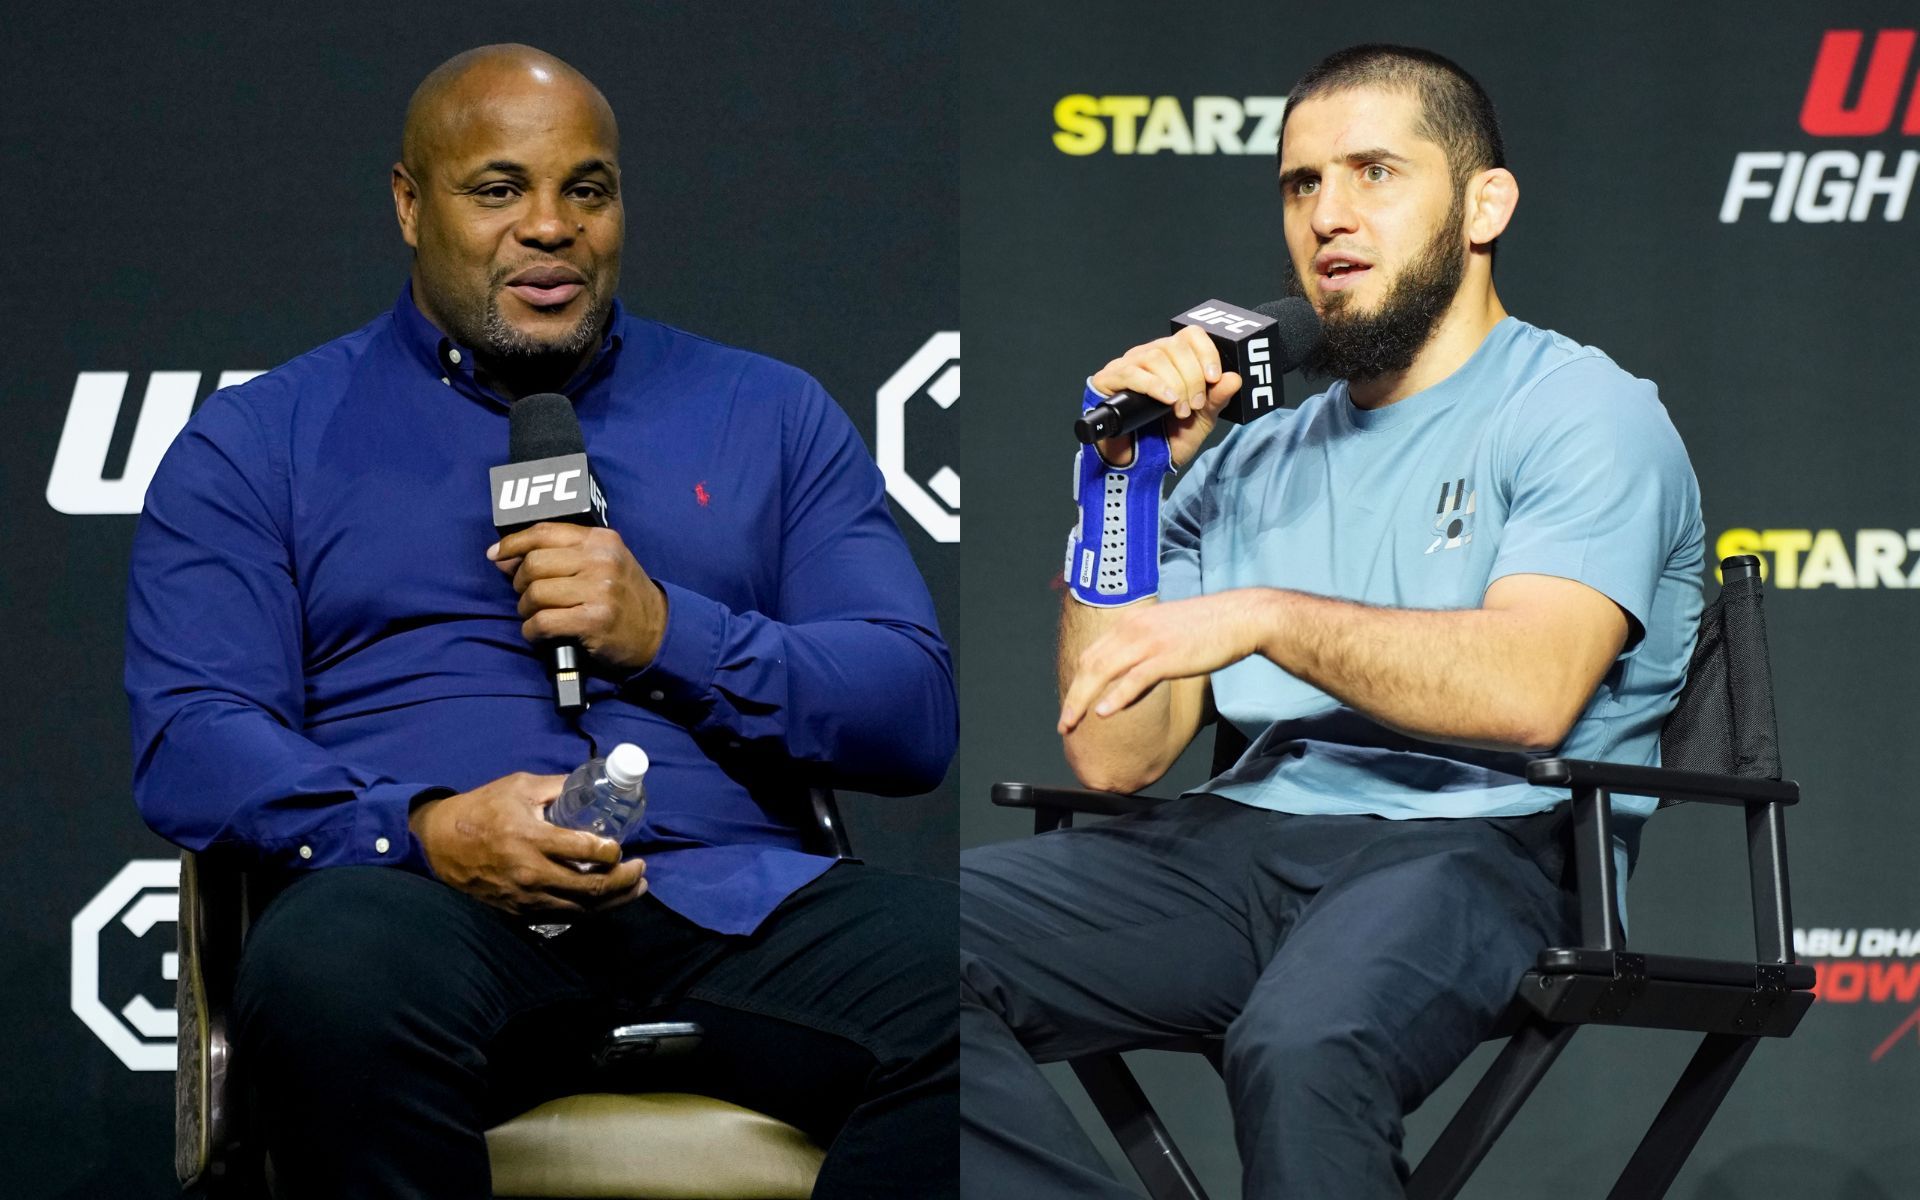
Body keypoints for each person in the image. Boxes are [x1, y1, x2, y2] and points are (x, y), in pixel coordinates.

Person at [126, 44, 957, 1200]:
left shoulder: (765, 411)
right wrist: (422, 830)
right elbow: (194, 734)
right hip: (424, 917)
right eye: (498, 188)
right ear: (411, 205)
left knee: (980, 976)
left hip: (726, 901)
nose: (551, 227)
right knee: (329, 967)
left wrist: (670, 628)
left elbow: (909, 711)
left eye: (588, 189)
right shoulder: (261, 442)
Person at [960, 44, 1704, 1198]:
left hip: (1482, 844)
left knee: (1302, 1050)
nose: (1329, 217)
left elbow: (1529, 692)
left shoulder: (1583, 411)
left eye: (1374, 173)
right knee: (909, 955)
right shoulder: (1246, 454)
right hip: (1236, 846)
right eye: (1302, 184)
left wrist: (1260, 617)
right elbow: (1117, 754)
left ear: (1484, 205)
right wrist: (1123, 492)